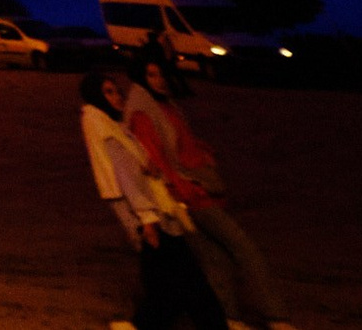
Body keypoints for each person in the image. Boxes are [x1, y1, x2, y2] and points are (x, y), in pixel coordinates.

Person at [125, 53, 295, 330]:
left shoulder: (167, 107)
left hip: (198, 188)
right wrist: (185, 188)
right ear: (140, 79)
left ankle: (231, 318)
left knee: (216, 259)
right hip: (189, 194)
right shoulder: (143, 113)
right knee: (244, 248)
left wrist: (203, 152)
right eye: (151, 75)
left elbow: (181, 145)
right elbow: (156, 157)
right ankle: (277, 317)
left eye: (161, 74)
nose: (160, 81)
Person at [82, 70, 226, 330]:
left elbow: (133, 172)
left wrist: (147, 166)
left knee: (168, 286)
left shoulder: (115, 128)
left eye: (116, 90)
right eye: (108, 92)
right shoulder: (109, 134)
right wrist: (147, 219)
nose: (117, 96)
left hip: (152, 217)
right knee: (188, 281)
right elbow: (127, 181)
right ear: (96, 97)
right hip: (152, 220)